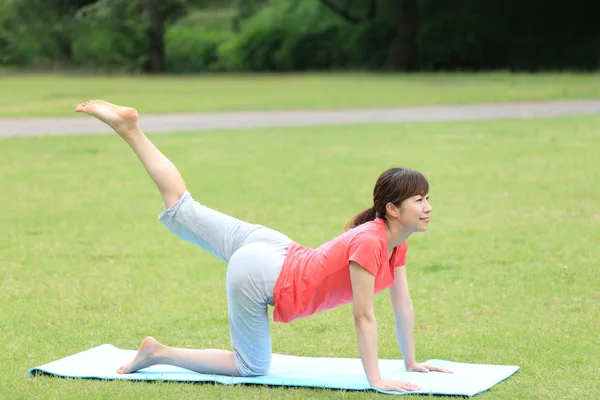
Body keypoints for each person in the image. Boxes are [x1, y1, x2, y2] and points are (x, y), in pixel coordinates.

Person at [75, 100, 451, 393]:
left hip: (272, 247)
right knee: (252, 367)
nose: (428, 207)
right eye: (419, 201)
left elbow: (402, 304)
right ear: (392, 209)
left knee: (183, 205)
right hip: (264, 273)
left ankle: (131, 129)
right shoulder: (371, 242)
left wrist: (412, 362)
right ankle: (159, 353)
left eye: (426, 198)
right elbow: (364, 316)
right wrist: (377, 380)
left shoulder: (392, 241)